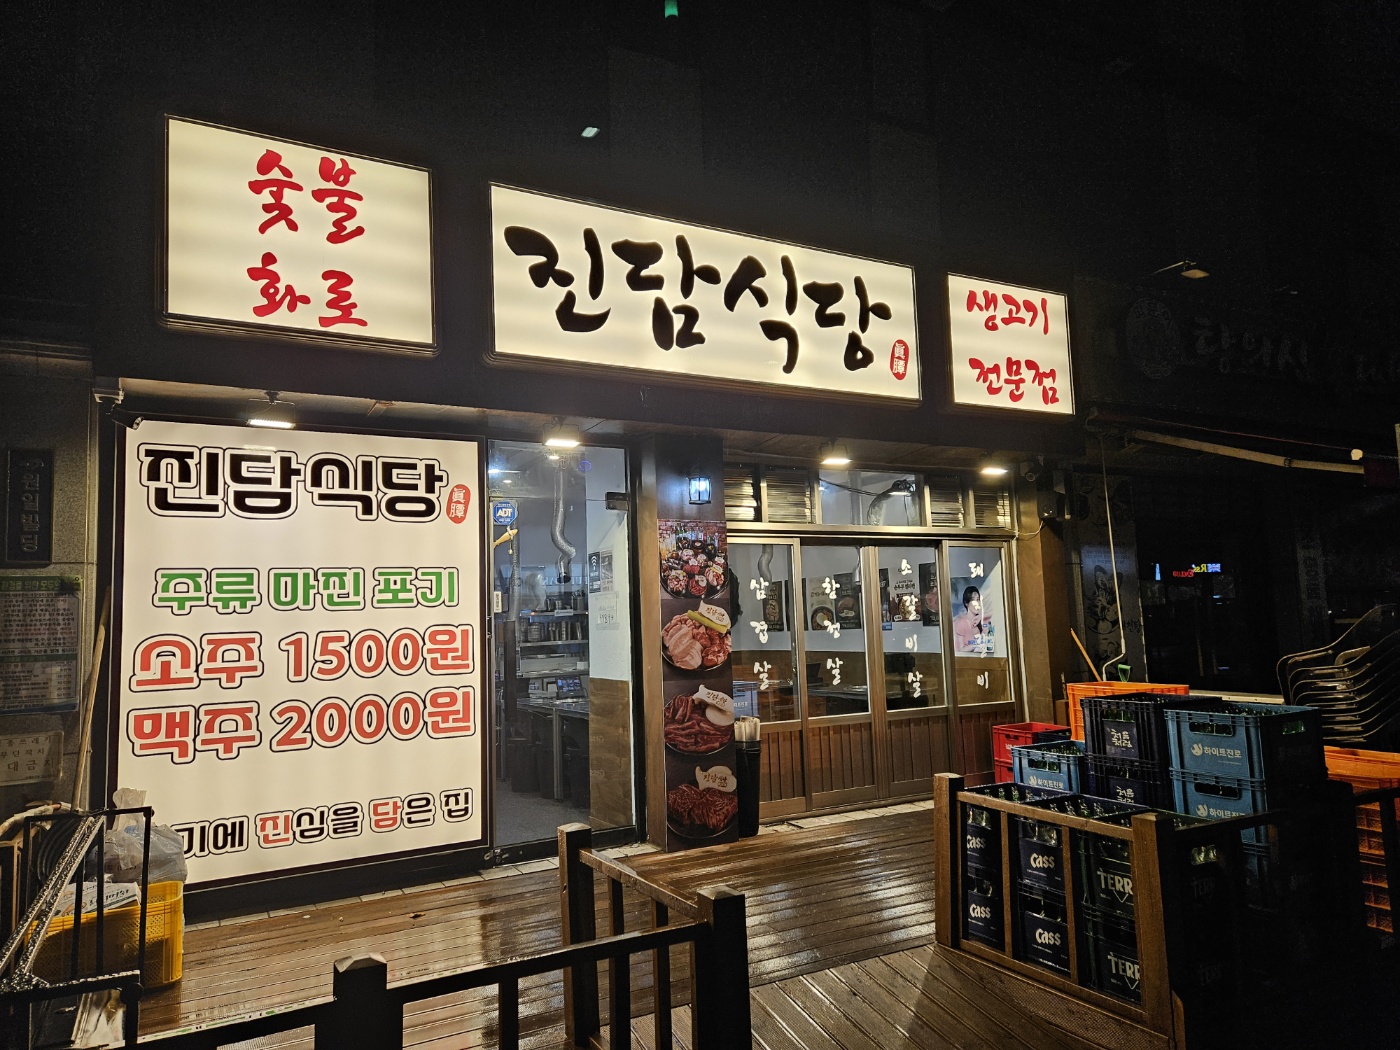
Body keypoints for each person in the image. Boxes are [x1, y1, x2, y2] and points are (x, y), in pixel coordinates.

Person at [952, 585, 994, 654]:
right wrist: (977, 643)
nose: (977, 603)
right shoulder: (961, 623)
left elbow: (997, 613)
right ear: (966, 603)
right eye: (973, 600)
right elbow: (961, 650)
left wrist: (981, 616)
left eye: (978, 599)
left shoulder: (983, 619)